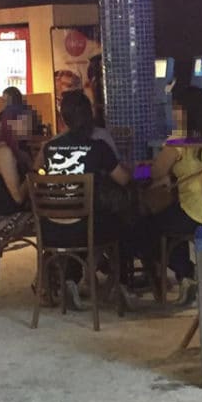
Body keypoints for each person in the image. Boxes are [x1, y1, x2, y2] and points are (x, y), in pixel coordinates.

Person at [135, 86, 202, 305]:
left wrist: (137, 170)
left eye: (176, 108)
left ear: (186, 111)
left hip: (195, 213)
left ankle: (187, 274)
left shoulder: (180, 139)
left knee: (147, 228)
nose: (173, 113)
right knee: (170, 219)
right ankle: (188, 277)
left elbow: (157, 171)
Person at [41, 91, 132, 309]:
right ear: (91, 115)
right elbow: (123, 178)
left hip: (50, 229)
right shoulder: (98, 148)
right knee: (123, 222)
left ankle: (71, 280)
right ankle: (119, 283)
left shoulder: (50, 148)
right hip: (85, 229)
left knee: (81, 217)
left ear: (63, 118)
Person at [0, 102, 36, 240]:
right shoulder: (5, 153)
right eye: (23, 123)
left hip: (18, 213)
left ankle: (57, 258)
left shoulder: (18, 151)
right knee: (53, 219)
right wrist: (33, 175)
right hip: (6, 219)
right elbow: (18, 197)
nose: (28, 128)